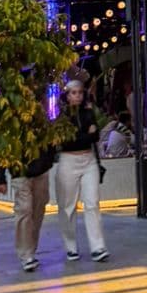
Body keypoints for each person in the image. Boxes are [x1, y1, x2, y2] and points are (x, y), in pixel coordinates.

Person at [55, 78, 108, 263]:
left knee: (92, 203)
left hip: (88, 160)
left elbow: (96, 135)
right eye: (73, 93)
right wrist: (88, 135)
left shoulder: (88, 112)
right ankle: (71, 247)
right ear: (67, 95)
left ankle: (98, 247)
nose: (77, 96)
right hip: (69, 160)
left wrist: (86, 136)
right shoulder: (62, 116)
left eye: (79, 92)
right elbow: (68, 141)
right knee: (67, 207)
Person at [0, 144, 55, 273]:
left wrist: (47, 161)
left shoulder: (41, 124)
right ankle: (26, 255)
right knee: (25, 209)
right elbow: (2, 147)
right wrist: (1, 178)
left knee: (38, 211)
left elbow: (50, 140)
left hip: (40, 170)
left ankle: (31, 250)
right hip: (19, 172)